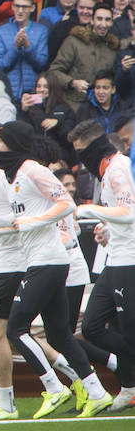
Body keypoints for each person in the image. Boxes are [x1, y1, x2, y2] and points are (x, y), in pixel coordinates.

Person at [0, 121, 115, 417]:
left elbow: (66, 204)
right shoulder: (13, 174)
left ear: (13, 143)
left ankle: (54, 388)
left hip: (48, 260)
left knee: (15, 328)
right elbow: (25, 218)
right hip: (42, 260)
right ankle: (97, 392)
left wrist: (32, 223)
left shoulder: (32, 170)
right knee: (58, 334)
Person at [69, 121, 135, 413]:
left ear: (95, 146)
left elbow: (128, 212)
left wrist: (88, 210)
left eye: (81, 151)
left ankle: (129, 387)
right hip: (116, 256)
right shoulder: (107, 171)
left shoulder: (119, 169)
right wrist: (107, 230)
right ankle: (130, 384)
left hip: (130, 258)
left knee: (128, 331)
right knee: (93, 326)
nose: (80, 158)